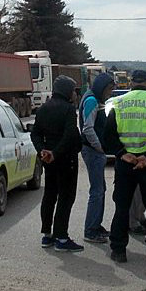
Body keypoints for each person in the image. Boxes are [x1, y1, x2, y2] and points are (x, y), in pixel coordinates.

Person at [104, 70, 146, 263]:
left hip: (126, 164)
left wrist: (122, 154)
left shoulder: (118, 102)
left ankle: (118, 250)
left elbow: (108, 135)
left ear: (131, 83)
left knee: (122, 207)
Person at [30, 75, 84, 252]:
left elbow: (35, 133)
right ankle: (61, 237)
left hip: (48, 160)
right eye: (74, 91)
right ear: (67, 91)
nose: (75, 95)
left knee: (50, 195)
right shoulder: (68, 109)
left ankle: (47, 234)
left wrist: (42, 150)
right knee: (66, 197)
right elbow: (69, 135)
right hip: (65, 159)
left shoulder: (43, 108)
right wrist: (56, 152)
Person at [79, 72, 116, 243]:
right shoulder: (92, 100)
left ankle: (96, 225)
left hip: (94, 151)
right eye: (109, 89)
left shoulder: (93, 98)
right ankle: (91, 230)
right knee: (97, 192)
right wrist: (99, 147)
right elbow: (87, 128)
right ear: (102, 87)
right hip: (93, 152)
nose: (110, 93)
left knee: (101, 189)